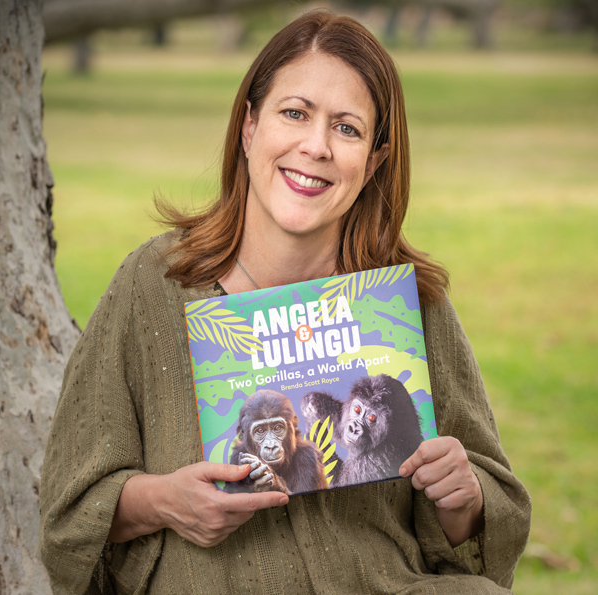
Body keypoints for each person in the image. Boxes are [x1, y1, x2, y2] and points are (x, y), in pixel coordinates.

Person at [40, 10, 531, 594]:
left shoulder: (407, 302)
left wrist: (464, 495)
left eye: (346, 129)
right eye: (295, 113)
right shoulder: (155, 284)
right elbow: (70, 515)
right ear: (249, 126)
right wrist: (164, 502)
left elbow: (484, 525)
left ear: (373, 161)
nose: (315, 147)